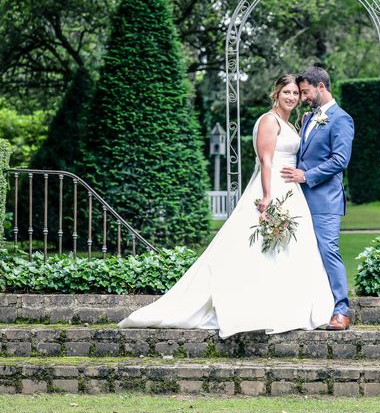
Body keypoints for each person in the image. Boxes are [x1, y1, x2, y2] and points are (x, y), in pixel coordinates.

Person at [118, 74, 334, 338]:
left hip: (292, 191)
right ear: (276, 94)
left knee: (291, 249)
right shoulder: (269, 120)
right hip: (273, 187)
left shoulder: (292, 124)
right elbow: (266, 162)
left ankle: (289, 303)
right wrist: (267, 196)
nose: (292, 97)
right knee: (260, 248)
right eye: (286, 92)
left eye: (296, 93)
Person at [281, 66, 354, 331]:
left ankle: (341, 311)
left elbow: (340, 160)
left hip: (325, 201)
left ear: (321, 87)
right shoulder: (309, 118)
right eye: (300, 93)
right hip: (299, 199)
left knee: (328, 251)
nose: (302, 98)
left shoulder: (341, 119)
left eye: (305, 92)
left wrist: (306, 175)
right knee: (303, 254)